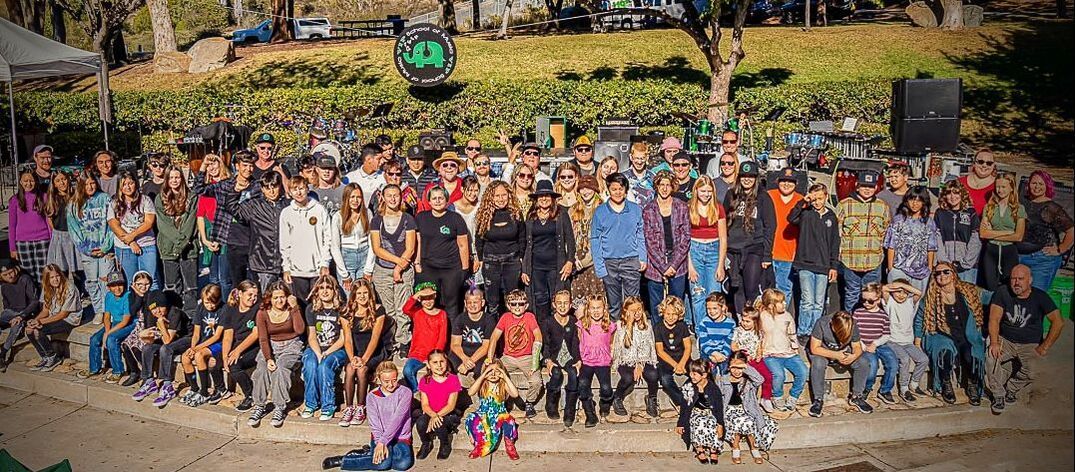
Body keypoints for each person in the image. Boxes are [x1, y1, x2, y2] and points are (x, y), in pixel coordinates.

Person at [986, 265, 1065, 414]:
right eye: (1013, 279)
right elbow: (994, 319)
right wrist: (995, 342)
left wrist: (1045, 347)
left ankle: (1011, 388)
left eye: (1021, 279)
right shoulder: (1002, 292)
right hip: (1006, 340)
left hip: (1030, 343)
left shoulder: (1040, 296)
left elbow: (1058, 321)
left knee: (1035, 370)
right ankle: (998, 395)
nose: (1016, 283)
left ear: (1030, 280)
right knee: (990, 356)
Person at [915, 261, 986, 406]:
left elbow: (993, 298)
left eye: (946, 271)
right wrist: (917, 340)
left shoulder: (969, 291)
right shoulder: (930, 298)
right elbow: (920, 319)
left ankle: (973, 384)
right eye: (938, 273)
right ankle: (945, 383)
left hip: (966, 334)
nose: (942, 275)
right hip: (941, 334)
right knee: (944, 353)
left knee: (971, 355)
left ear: (953, 274)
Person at [322, 361, 415, 471]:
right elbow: (375, 423)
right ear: (378, 379)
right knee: (382, 464)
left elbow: (398, 419)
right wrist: (380, 442)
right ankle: (343, 460)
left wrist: (383, 442)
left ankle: (369, 453)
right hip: (380, 435)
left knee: (402, 464)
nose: (390, 384)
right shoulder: (372, 396)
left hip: (400, 437)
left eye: (394, 380)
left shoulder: (405, 393)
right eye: (386, 381)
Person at [248, 281, 306, 428]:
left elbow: (300, 330)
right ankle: (259, 405)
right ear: (270, 298)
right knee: (262, 368)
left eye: (282, 297)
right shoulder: (262, 313)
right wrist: (268, 358)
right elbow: (263, 338)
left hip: (292, 345)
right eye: (276, 298)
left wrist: (295, 307)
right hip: (271, 345)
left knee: (281, 368)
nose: (279, 301)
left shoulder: (292, 309)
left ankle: (279, 406)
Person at [369, 185, 417, 355]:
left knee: (403, 308)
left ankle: (404, 341)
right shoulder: (377, 220)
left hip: (404, 269)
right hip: (383, 270)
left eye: (396, 195)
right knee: (388, 309)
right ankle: (390, 341)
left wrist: (399, 268)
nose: (393, 199)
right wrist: (397, 263)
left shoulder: (408, 219)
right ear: (383, 197)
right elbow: (377, 248)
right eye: (389, 195)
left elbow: (410, 248)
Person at [591, 173, 647, 320]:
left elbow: (640, 234)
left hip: (631, 260)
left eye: (620, 189)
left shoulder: (635, 210)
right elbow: (595, 239)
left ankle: (632, 329)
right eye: (614, 189)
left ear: (626, 190)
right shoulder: (600, 212)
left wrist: (642, 257)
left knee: (632, 302)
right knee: (614, 303)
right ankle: (615, 329)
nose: (617, 192)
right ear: (608, 190)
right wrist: (599, 266)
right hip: (609, 262)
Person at [723, 161, 776, 314]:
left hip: (754, 248)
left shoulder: (763, 197)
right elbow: (723, 222)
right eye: (744, 176)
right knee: (736, 287)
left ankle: (752, 319)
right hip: (733, 249)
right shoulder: (731, 194)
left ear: (756, 178)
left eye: (751, 176)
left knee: (751, 288)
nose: (747, 179)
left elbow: (770, 226)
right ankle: (741, 319)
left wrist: (767, 255)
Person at [789, 182, 840, 338]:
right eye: (814, 199)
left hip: (823, 265)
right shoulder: (806, 214)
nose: (817, 202)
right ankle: (803, 330)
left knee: (819, 302)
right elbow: (791, 218)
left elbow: (834, 243)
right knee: (807, 301)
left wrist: (833, 266)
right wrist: (803, 202)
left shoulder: (831, 217)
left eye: (820, 198)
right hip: (805, 264)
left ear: (826, 197)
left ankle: (815, 332)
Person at [836, 170, 890, 311]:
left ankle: (869, 322)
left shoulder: (882, 206)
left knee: (872, 296)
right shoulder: (844, 205)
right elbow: (837, 233)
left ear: (876, 187)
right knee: (851, 294)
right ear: (857, 185)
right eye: (864, 186)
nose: (867, 189)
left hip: (874, 261)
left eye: (871, 186)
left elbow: (886, 232)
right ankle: (850, 322)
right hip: (850, 260)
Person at [523, 180, 576, 322]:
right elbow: (526, 244)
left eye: (547, 195)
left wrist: (570, 261)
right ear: (536, 199)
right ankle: (542, 330)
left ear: (552, 198)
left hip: (556, 266)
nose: (544, 198)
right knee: (540, 299)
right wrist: (525, 269)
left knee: (557, 298)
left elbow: (570, 240)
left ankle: (557, 330)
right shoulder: (531, 215)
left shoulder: (561, 214)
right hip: (536, 266)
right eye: (541, 196)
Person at [339, 279, 390, 427]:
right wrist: (352, 358)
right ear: (353, 296)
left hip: (373, 352)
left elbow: (375, 338)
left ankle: (361, 407)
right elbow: (348, 339)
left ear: (370, 294)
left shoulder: (378, 310)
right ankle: (349, 407)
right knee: (350, 369)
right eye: (359, 293)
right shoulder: (346, 312)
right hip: (355, 351)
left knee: (361, 370)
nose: (362, 296)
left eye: (365, 293)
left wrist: (364, 359)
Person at [227, 171, 289, 292]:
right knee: (265, 298)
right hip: (262, 263)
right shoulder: (255, 206)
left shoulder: (288, 206)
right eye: (267, 188)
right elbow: (233, 208)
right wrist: (235, 191)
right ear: (262, 189)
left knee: (285, 298)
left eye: (274, 187)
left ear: (280, 186)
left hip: (285, 264)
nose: (271, 191)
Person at [642, 171, 690, 324]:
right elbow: (649, 241)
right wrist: (663, 266)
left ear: (672, 187)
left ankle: (677, 332)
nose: (664, 188)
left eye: (667, 185)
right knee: (657, 305)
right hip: (656, 263)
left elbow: (686, 237)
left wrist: (674, 265)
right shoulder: (649, 209)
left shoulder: (681, 206)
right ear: (656, 186)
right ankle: (658, 333)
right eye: (661, 185)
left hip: (678, 262)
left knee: (676, 303)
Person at [279, 175, 335, 307]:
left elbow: (327, 238)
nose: (298, 192)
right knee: (301, 306)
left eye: (301, 188)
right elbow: (284, 243)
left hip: (317, 269)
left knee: (318, 305)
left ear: (307, 189)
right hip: (296, 271)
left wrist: (325, 263)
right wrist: (286, 267)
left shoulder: (319, 210)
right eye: (295, 189)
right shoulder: (286, 213)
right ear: (290, 192)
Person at [486, 289, 543, 418]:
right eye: (514, 304)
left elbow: (538, 337)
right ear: (508, 305)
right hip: (508, 357)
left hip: (527, 357)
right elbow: (494, 337)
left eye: (521, 304)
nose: (517, 307)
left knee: (536, 381)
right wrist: (490, 359)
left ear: (526, 305)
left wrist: (535, 363)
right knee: (491, 372)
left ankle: (529, 402)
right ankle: (501, 400)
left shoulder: (529, 317)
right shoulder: (505, 317)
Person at [415, 186, 470, 318]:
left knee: (451, 303)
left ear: (446, 200)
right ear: (429, 201)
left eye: (441, 198)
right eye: (434, 198)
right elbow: (418, 242)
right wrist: (417, 263)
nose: (438, 201)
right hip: (428, 268)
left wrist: (464, 269)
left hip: (451, 268)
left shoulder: (456, 218)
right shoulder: (421, 218)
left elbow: (463, 245)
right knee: (430, 302)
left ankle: (452, 330)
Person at [300, 276, 349, 421]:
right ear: (317, 291)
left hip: (336, 349)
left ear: (335, 290)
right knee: (310, 363)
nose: (325, 291)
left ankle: (328, 406)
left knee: (324, 366)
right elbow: (311, 336)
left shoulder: (342, 309)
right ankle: (311, 403)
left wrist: (327, 352)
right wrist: (318, 353)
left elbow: (343, 338)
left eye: (329, 288)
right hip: (316, 347)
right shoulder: (311, 309)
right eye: (321, 288)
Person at [131, 290, 191, 408]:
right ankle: (149, 381)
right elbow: (150, 341)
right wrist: (142, 336)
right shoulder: (151, 315)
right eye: (154, 309)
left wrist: (161, 324)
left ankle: (167, 385)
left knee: (165, 349)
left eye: (160, 307)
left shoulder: (175, 313)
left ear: (166, 305)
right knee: (147, 348)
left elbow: (167, 341)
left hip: (186, 338)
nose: (157, 311)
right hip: (168, 338)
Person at [807, 310, 873, 417]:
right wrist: (836, 355)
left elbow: (857, 347)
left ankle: (856, 397)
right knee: (818, 363)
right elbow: (814, 348)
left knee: (863, 362)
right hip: (823, 351)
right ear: (832, 325)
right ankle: (818, 399)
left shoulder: (852, 324)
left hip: (843, 352)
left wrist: (853, 356)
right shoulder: (822, 323)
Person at [475, 180, 525, 318]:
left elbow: (522, 237)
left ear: (509, 195)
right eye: (497, 196)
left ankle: (511, 327)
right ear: (490, 197)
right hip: (491, 261)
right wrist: (481, 259)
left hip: (512, 260)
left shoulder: (515, 213)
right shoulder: (484, 215)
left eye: (504, 195)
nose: (501, 199)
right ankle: (493, 328)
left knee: (512, 299)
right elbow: (479, 239)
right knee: (492, 301)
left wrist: (521, 257)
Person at [67, 172, 114, 318]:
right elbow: (73, 229)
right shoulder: (74, 204)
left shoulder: (105, 199)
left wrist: (106, 246)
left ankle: (108, 310)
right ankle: (98, 310)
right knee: (92, 282)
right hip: (87, 251)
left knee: (106, 280)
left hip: (105, 249)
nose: (90, 186)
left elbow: (112, 225)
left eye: (92, 183)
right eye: (86, 184)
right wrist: (86, 249)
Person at [1018, 170, 1074, 292]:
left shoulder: (1051, 208)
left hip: (1042, 260)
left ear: (1047, 186)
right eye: (1034, 183)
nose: (1037, 187)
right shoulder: (1021, 201)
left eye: (1041, 184)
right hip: (1018, 256)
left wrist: (1060, 249)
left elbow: (1071, 230)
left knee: (1036, 295)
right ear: (1028, 184)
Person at [155, 166, 200, 315]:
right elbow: (163, 225)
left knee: (191, 286)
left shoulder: (192, 197)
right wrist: (177, 243)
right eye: (171, 177)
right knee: (172, 285)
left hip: (189, 248)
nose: (174, 180)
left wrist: (182, 244)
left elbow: (191, 223)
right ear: (167, 180)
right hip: (168, 248)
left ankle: (191, 315)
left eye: (177, 177)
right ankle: (175, 315)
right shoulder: (160, 198)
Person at [721, 352, 777, 465]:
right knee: (738, 421)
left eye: (740, 368)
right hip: (729, 410)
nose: (737, 371)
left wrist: (746, 367)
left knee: (750, 421)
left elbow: (760, 379)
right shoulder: (723, 379)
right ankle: (736, 447)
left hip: (747, 408)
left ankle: (754, 448)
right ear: (729, 366)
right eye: (734, 367)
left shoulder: (749, 380)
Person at [687, 176, 728, 328]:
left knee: (714, 294)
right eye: (703, 191)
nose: (706, 194)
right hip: (694, 250)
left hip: (713, 250)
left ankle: (714, 329)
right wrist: (690, 266)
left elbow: (723, 238)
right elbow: (684, 238)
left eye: (709, 191)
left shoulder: (718, 208)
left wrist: (721, 265)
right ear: (696, 190)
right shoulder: (688, 207)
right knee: (698, 294)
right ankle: (701, 331)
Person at [25, 264, 82, 371]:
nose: (55, 279)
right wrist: (35, 320)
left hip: (69, 319)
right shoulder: (47, 288)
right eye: (52, 277)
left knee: (38, 331)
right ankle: (45, 357)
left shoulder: (70, 288)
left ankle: (53, 357)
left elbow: (63, 314)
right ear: (47, 279)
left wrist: (40, 322)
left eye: (57, 276)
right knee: (29, 329)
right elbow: (45, 311)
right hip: (54, 317)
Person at [610, 297, 660, 419]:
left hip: (643, 358)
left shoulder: (647, 325)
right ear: (626, 311)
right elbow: (625, 347)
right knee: (628, 377)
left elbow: (647, 347)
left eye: (639, 309)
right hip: (626, 359)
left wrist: (640, 364)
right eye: (632, 310)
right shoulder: (620, 325)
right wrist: (629, 324)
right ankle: (617, 397)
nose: (636, 313)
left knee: (653, 375)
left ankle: (652, 398)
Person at [177, 284, 228, 407]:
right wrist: (192, 347)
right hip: (202, 342)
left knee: (199, 355)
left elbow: (217, 336)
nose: (210, 306)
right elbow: (196, 333)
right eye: (207, 302)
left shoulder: (224, 309)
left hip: (218, 344)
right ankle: (194, 388)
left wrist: (196, 349)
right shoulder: (200, 308)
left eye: (213, 303)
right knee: (185, 357)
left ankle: (204, 391)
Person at [78, 272, 133, 382]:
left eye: (120, 285)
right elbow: (107, 316)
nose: (117, 288)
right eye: (113, 286)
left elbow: (125, 321)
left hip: (127, 323)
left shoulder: (128, 296)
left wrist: (108, 334)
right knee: (94, 339)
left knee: (112, 339)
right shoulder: (109, 296)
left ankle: (118, 371)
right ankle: (94, 368)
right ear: (108, 287)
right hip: (115, 322)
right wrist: (106, 331)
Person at [758, 289, 808, 412]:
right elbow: (758, 334)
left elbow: (792, 333)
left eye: (784, 301)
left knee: (803, 371)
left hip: (788, 353)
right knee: (779, 375)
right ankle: (777, 396)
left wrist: (795, 348)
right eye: (781, 302)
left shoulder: (787, 316)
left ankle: (793, 396)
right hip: (770, 354)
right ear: (771, 305)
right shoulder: (762, 316)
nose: (784, 304)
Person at [109, 171, 159, 290]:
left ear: (135, 183)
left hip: (146, 244)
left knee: (151, 279)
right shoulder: (114, 202)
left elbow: (149, 222)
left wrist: (133, 235)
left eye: (130, 183)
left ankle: (153, 301)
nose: (128, 187)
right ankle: (134, 302)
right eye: (124, 184)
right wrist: (131, 242)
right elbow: (113, 224)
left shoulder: (145, 200)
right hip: (124, 247)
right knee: (131, 281)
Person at [884, 186, 939, 293]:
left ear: (924, 202)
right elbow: (891, 246)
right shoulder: (898, 220)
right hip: (899, 269)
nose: (915, 203)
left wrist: (929, 268)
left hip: (921, 272)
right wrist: (891, 268)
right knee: (897, 299)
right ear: (907, 201)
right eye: (912, 199)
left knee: (917, 300)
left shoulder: (929, 222)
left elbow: (931, 248)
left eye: (919, 200)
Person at [464, 360, 522, 460]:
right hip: (483, 414)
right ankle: (478, 445)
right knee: (470, 417)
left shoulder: (502, 384)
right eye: (490, 371)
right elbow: (470, 392)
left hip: (499, 414)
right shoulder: (483, 384)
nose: (493, 374)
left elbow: (515, 394)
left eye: (497, 371)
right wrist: (483, 376)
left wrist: (504, 376)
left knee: (509, 420)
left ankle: (509, 444)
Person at [979, 173, 1026, 294]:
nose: (1000, 190)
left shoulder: (1018, 209)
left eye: (1003, 187)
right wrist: (1007, 232)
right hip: (991, 250)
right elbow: (983, 234)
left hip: (1009, 251)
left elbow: (1018, 236)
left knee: (1008, 287)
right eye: (998, 187)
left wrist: (992, 233)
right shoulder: (989, 207)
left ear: (1011, 188)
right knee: (990, 286)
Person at [882, 279, 928, 402]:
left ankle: (914, 383)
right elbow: (884, 289)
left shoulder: (910, 302)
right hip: (893, 341)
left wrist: (902, 286)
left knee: (923, 359)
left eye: (905, 292)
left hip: (908, 342)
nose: (901, 295)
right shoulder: (889, 302)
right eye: (898, 291)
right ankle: (904, 388)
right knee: (904, 359)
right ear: (893, 292)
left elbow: (919, 293)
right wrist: (897, 286)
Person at [853, 283, 900, 404]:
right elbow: (853, 333)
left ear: (878, 300)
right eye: (863, 300)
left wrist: (875, 343)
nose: (866, 303)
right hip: (863, 344)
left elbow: (886, 334)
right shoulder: (858, 313)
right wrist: (863, 346)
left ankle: (885, 390)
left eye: (870, 301)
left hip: (880, 344)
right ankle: (866, 387)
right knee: (872, 365)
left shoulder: (883, 315)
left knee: (893, 363)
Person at [541, 289, 582, 425]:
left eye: (565, 303)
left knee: (573, 374)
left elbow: (575, 343)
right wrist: (547, 360)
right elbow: (546, 344)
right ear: (554, 304)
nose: (562, 306)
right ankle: (551, 403)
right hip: (554, 356)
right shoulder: (548, 322)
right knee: (556, 374)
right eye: (559, 303)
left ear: (570, 305)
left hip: (569, 356)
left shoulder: (573, 321)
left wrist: (578, 360)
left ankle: (570, 409)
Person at [196, 153, 234, 296]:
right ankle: (213, 304)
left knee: (225, 278)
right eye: (208, 165)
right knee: (213, 278)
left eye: (214, 163)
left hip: (226, 232)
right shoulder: (207, 189)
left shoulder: (230, 185)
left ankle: (226, 305)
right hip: (209, 233)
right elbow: (200, 215)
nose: (211, 167)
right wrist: (204, 239)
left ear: (221, 164)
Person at [222, 281, 262, 412]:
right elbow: (228, 335)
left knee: (235, 365)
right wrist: (225, 356)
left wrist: (237, 351)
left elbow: (255, 334)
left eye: (255, 295)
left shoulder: (258, 309)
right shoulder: (231, 309)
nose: (253, 298)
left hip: (254, 346)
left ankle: (250, 394)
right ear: (240, 294)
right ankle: (219, 390)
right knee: (219, 362)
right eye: (250, 295)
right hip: (237, 344)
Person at [414, 350, 462, 461]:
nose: (439, 365)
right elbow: (425, 404)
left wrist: (437, 417)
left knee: (439, 424)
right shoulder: (425, 380)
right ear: (428, 365)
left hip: (448, 414)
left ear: (446, 362)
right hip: (431, 412)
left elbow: (451, 405)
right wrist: (433, 416)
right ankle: (426, 443)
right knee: (421, 423)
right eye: (435, 362)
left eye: (442, 361)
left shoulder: (453, 379)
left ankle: (445, 444)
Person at [400, 283, 449, 389]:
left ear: (435, 296)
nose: (428, 301)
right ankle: (416, 392)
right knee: (407, 371)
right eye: (424, 298)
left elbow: (442, 338)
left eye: (430, 297)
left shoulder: (442, 314)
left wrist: (434, 357)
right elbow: (405, 309)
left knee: (437, 374)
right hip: (416, 354)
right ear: (419, 299)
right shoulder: (417, 312)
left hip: (433, 354)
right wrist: (417, 294)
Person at [677, 358, 725, 465]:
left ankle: (714, 449)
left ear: (704, 375)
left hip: (709, 412)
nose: (691, 376)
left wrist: (720, 424)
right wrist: (681, 423)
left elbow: (719, 408)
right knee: (699, 422)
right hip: (695, 412)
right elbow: (684, 406)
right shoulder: (688, 386)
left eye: (694, 374)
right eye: (690, 373)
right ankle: (699, 449)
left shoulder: (713, 388)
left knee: (712, 422)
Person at [935, 180, 982, 284]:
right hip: (946, 267)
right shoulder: (940, 213)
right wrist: (945, 262)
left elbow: (976, 240)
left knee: (966, 293)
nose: (953, 197)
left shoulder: (971, 213)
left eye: (956, 193)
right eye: (949, 193)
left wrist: (965, 264)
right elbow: (937, 238)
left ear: (962, 194)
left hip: (967, 268)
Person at [767, 168, 804, 304]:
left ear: (796, 183)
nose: (786, 184)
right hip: (768, 252)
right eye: (783, 180)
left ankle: (780, 316)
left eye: (790, 181)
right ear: (777, 181)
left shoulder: (801, 200)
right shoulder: (768, 196)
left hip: (789, 254)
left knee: (783, 289)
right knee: (767, 290)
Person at [8, 170, 51, 282]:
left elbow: (48, 221)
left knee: (43, 273)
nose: (28, 183)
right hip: (23, 242)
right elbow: (12, 226)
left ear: (36, 181)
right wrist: (12, 248)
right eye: (25, 181)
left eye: (31, 180)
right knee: (27, 275)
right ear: (20, 182)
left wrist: (52, 240)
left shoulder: (44, 197)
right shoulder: (14, 200)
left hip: (43, 240)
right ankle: (31, 293)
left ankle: (43, 293)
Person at [568, 175, 605, 306]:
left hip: (597, 262)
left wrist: (587, 260)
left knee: (597, 303)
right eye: (582, 188)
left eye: (589, 188)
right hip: (577, 262)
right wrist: (573, 258)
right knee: (579, 304)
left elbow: (604, 239)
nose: (585, 191)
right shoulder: (572, 210)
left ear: (595, 189)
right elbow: (568, 236)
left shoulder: (603, 209)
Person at [730, 307, 775, 412]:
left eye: (748, 321)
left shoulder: (758, 332)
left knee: (767, 376)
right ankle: (747, 400)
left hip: (755, 360)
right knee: (749, 380)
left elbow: (759, 345)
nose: (744, 323)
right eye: (743, 320)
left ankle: (766, 398)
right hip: (743, 360)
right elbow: (733, 346)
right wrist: (742, 353)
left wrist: (759, 354)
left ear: (755, 322)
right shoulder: (738, 331)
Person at [333, 184, 375, 291]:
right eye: (352, 197)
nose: (355, 200)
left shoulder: (367, 213)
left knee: (363, 293)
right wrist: (344, 274)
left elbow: (372, 242)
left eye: (358, 197)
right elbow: (335, 246)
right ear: (346, 198)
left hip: (364, 256)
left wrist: (368, 269)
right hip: (346, 258)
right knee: (349, 295)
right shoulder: (338, 216)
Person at [0, 260, 41, 371]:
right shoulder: (3, 285)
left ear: (16, 270)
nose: (10, 276)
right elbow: (6, 304)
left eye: (11, 272)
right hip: (10, 313)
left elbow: (34, 301)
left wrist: (21, 316)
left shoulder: (25, 279)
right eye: (5, 275)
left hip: (25, 313)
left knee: (16, 327)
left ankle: (3, 353)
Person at [653, 296, 691, 413]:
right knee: (665, 379)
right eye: (668, 314)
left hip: (682, 357)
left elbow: (688, 347)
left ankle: (688, 394)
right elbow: (660, 351)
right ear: (663, 313)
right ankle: (680, 402)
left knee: (699, 373)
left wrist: (682, 364)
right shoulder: (658, 327)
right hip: (666, 359)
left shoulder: (682, 326)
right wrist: (676, 365)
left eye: (674, 314)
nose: (671, 317)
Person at [449, 288, 496, 381]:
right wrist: (465, 359)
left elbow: (486, 346)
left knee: (481, 369)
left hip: (481, 352)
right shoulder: (460, 319)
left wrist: (470, 361)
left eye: (475, 302)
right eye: (469, 302)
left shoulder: (489, 320)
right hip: (463, 351)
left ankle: (480, 389)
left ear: (482, 303)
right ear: (465, 303)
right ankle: (452, 388)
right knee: (449, 364)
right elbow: (455, 344)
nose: (472, 305)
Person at [118, 271, 154, 387]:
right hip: (139, 326)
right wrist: (139, 296)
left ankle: (147, 374)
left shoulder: (152, 295)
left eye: (146, 284)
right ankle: (134, 372)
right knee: (125, 345)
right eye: (139, 284)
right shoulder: (131, 295)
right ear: (134, 284)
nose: (143, 287)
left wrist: (142, 296)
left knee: (137, 347)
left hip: (149, 326)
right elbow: (133, 311)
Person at [44, 171, 78, 278]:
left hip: (74, 235)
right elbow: (50, 218)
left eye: (63, 179)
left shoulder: (75, 195)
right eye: (58, 181)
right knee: (61, 270)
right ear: (54, 184)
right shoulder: (52, 198)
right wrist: (56, 233)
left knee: (77, 269)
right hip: (59, 237)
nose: (62, 183)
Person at [343, 144, 387, 218]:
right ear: (368, 159)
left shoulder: (384, 177)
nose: (382, 161)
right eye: (379, 159)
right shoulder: (350, 178)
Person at [697, 292, 736, 375]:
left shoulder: (731, 324)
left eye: (715, 308)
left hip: (723, 353)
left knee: (726, 370)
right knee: (707, 371)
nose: (711, 311)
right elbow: (704, 343)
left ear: (723, 307)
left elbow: (728, 342)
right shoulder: (704, 323)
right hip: (708, 352)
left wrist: (722, 355)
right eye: (708, 309)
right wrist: (713, 354)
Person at [453, 176, 481, 285]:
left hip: (475, 251)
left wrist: (478, 257)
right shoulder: (452, 208)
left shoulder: (480, 207)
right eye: (469, 190)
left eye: (476, 190)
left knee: (474, 287)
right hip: (457, 253)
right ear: (462, 189)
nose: (473, 194)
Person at [959, 149, 997, 216]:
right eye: (980, 162)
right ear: (974, 163)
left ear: (994, 165)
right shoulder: (960, 182)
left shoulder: (998, 186)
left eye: (989, 163)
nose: (984, 165)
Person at [623, 142, 655, 207]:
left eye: (642, 158)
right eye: (636, 158)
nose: (639, 162)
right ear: (631, 157)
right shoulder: (623, 177)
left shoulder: (653, 177)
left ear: (647, 158)